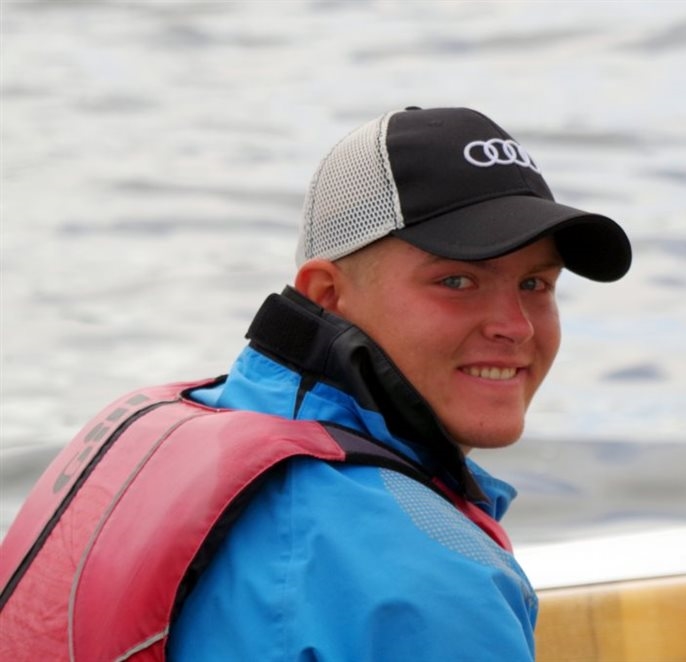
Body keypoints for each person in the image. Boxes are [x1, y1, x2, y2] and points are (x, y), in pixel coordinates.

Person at [0, 106, 631, 660]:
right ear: (327, 294)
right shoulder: (428, 580)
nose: (515, 326)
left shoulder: (155, 432)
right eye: (457, 281)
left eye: (535, 284)